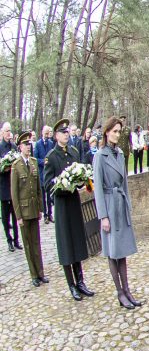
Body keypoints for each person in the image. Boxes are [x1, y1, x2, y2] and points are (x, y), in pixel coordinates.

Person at [93, 116, 142, 310]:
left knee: (122, 252)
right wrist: (103, 216)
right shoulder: (100, 155)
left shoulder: (120, 153)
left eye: (119, 131)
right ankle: (120, 292)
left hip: (120, 204)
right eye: (114, 131)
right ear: (106, 132)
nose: (117, 134)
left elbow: (124, 183)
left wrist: (128, 204)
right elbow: (97, 188)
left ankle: (127, 289)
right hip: (109, 205)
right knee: (113, 252)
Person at [44, 118, 94, 301]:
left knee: (77, 241)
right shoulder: (51, 157)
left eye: (67, 132)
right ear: (56, 135)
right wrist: (61, 185)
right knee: (66, 244)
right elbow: (48, 184)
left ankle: (81, 281)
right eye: (63, 133)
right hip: (63, 206)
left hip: (73, 203)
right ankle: (71, 285)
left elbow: (80, 173)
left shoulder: (73, 152)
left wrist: (81, 181)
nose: (66, 135)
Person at [11, 132, 47, 287]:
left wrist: (40, 208)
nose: (28, 147)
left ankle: (41, 273)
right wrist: (18, 216)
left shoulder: (32, 163)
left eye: (29, 145)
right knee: (27, 244)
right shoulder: (16, 166)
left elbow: (38, 188)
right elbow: (14, 193)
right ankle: (33, 274)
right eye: (26, 145)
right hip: (24, 211)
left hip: (33, 209)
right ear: (20, 147)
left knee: (36, 242)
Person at [0, 122, 22, 252]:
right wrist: (5, 167)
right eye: (6, 131)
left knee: (15, 214)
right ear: (2, 132)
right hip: (3, 185)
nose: (9, 133)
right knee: (5, 215)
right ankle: (9, 240)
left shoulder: (14, 146)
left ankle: (16, 239)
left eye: (10, 131)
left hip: (14, 185)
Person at [34, 125, 55, 223]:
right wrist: (43, 161)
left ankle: (50, 214)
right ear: (42, 132)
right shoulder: (38, 144)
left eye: (48, 133)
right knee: (43, 196)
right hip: (42, 173)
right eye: (45, 133)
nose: (47, 135)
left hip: (50, 174)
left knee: (49, 195)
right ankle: (45, 214)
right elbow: (35, 159)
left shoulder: (51, 143)